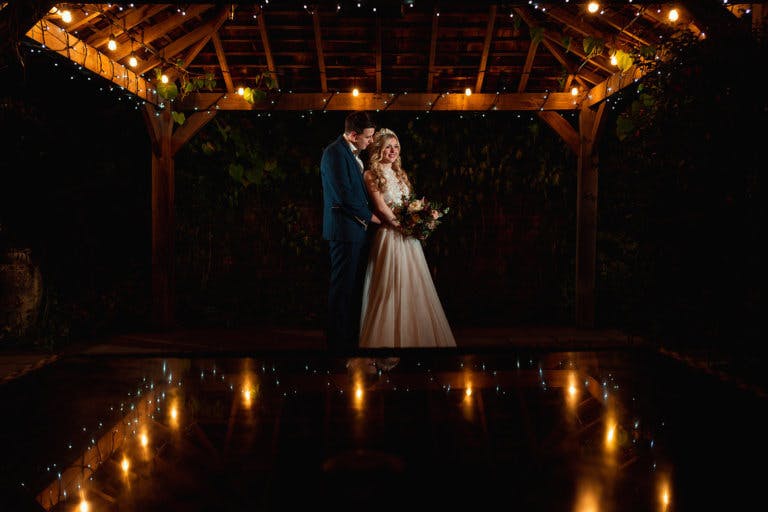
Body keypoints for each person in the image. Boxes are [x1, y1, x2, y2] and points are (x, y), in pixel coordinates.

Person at [359, 128, 456, 348]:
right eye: (388, 147)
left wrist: (419, 220)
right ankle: (388, 342)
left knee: (414, 286)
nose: (393, 151)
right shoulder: (370, 174)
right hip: (390, 236)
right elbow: (381, 207)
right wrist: (403, 227)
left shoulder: (400, 174)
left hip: (408, 237)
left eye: (396, 147)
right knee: (390, 288)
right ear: (378, 149)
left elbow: (409, 204)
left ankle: (415, 338)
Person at [321, 111, 381, 351]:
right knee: (342, 287)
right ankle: (337, 343)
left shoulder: (351, 153)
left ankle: (348, 338)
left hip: (356, 230)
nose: (371, 141)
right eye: (368, 137)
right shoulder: (334, 153)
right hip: (344, 231)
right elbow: (344, 195)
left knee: (352, 287)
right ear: (354, 135)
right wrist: (372, 217)